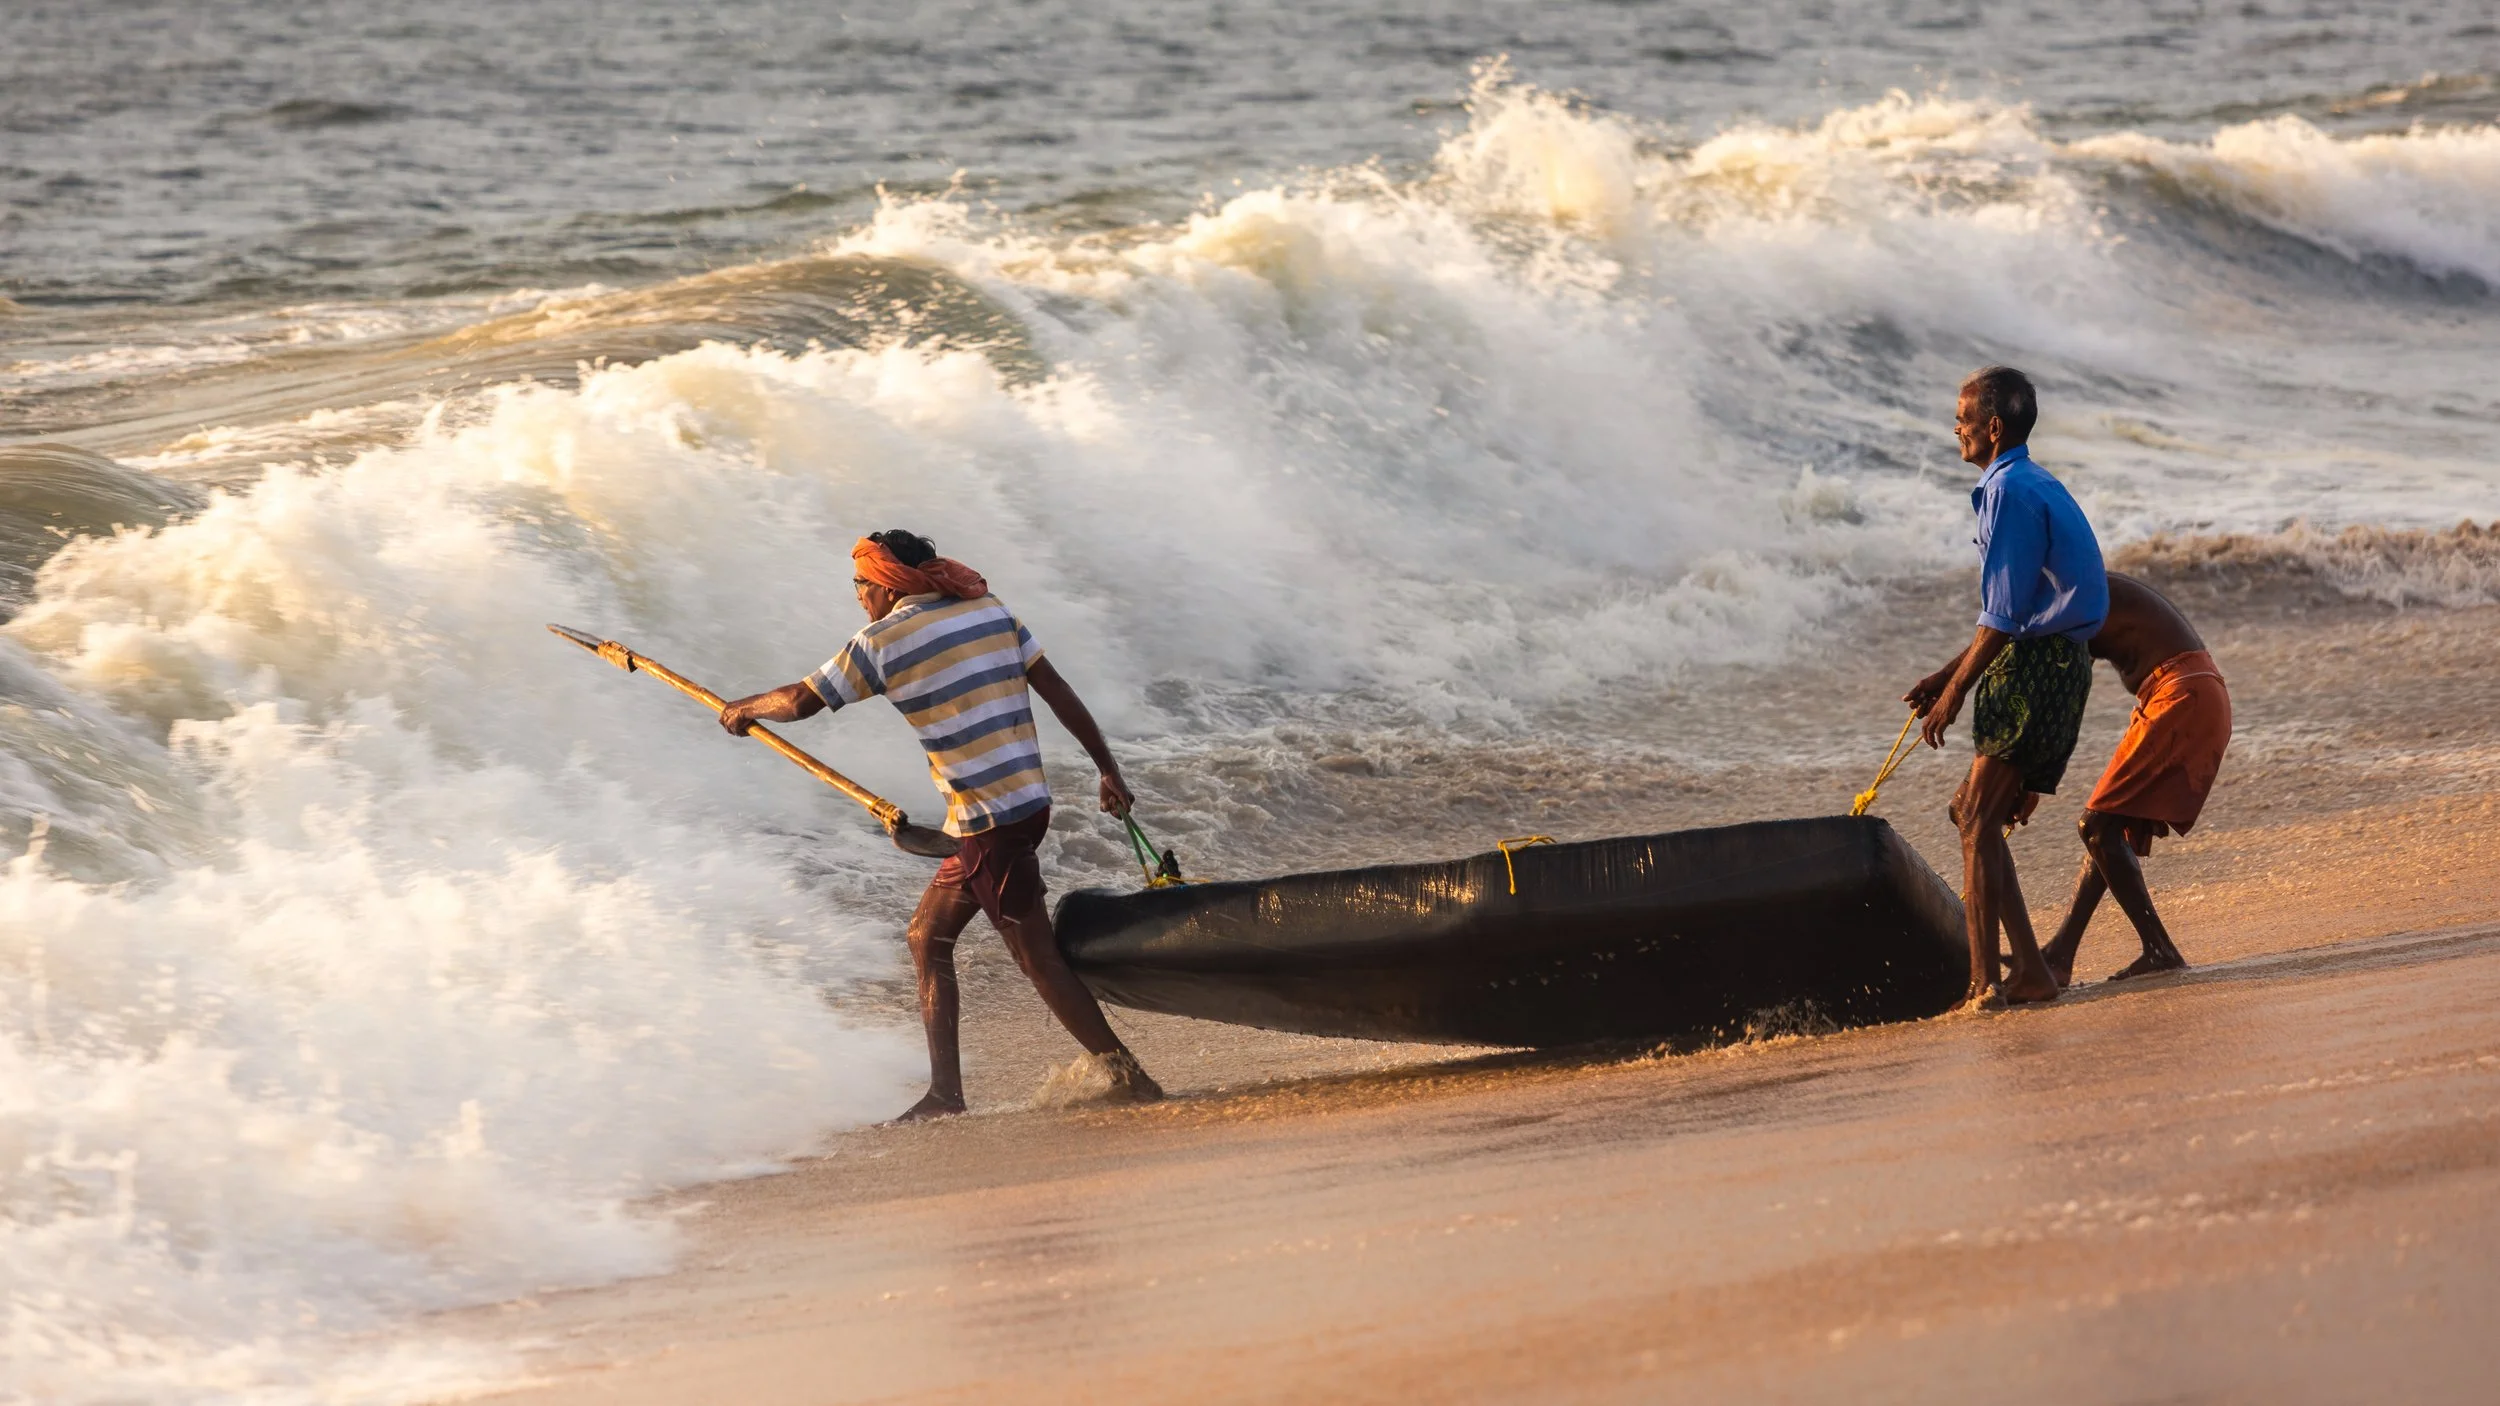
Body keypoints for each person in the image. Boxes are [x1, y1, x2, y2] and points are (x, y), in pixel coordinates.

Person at [717, 529, 1162, 1120]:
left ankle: (1128, 1076)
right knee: (927, 937)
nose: (857, 596)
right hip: (1025, 808)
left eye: (860, 584)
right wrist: (1108, 770)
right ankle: (945, 1094)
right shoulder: (989, 609)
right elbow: (1056, 689)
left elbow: (803, 701)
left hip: (989, 825)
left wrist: (744, 708)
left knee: (1036, 958)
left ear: (887, 583)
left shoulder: (882, 641)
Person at [1904, 367, 2108, 1008]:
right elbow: (2013, 609)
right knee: (1970, 811)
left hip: (2036, 669)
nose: (1955, 427)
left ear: (1993, 427)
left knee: (1976, 816)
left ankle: (1984, 983)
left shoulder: (2007, 491)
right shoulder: (2032, 481)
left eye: (1963, 417)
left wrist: (1954, 692)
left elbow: (2003, 617)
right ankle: (2030, 973)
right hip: (2053, 662)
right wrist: (1946, 674)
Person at [2039, 573, 2231, 984]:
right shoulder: (2081, 590)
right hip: (2188, 691)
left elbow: (2046, 680)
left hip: (2181, 694)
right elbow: (2062, 687)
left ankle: (2159, 950)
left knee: (2096, 825)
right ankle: (2060, 953)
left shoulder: (2074, 593)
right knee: (2109, 829)